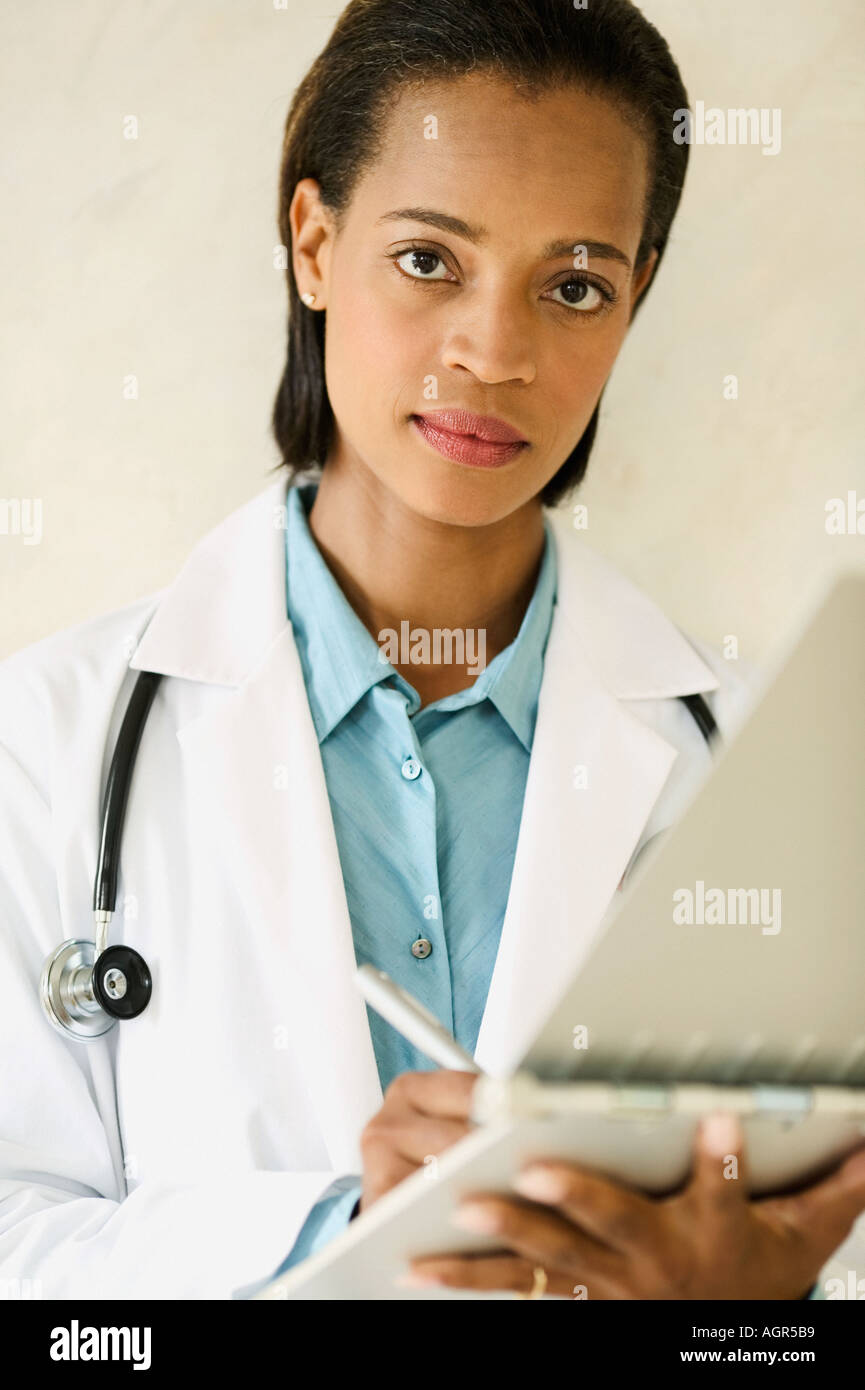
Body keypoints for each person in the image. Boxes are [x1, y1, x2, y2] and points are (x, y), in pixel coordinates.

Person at [1, 0, 862, 1301]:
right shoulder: (47, 744)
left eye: (573, 285)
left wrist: (745, 1318)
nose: (493, 352)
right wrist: (348, 1230)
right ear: (312, 242)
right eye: (427, 260)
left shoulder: (775, 774)